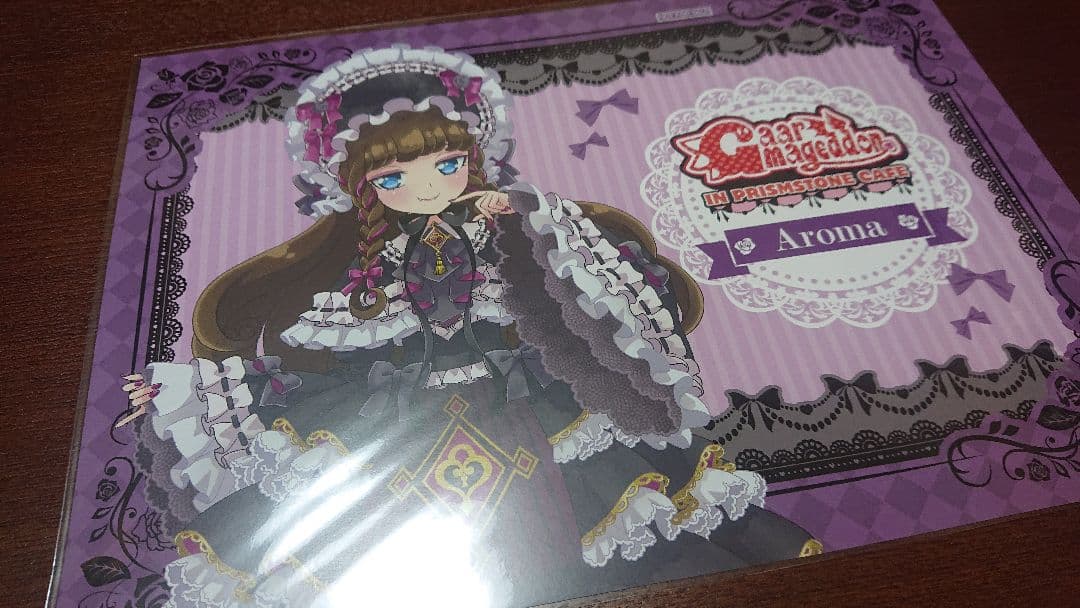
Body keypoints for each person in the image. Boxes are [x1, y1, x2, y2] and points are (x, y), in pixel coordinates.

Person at [119, 45, 820, 607]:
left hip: (525, 410)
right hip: (404, 433)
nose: (428, 185)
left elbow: (600, 289)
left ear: (472, 160)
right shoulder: (368, 274)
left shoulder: (514, 234)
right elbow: (324, 372)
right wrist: (192, 388)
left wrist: (526, 224)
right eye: (394, 178)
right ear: (362, 188)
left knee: (586, 533)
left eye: (448, 164)